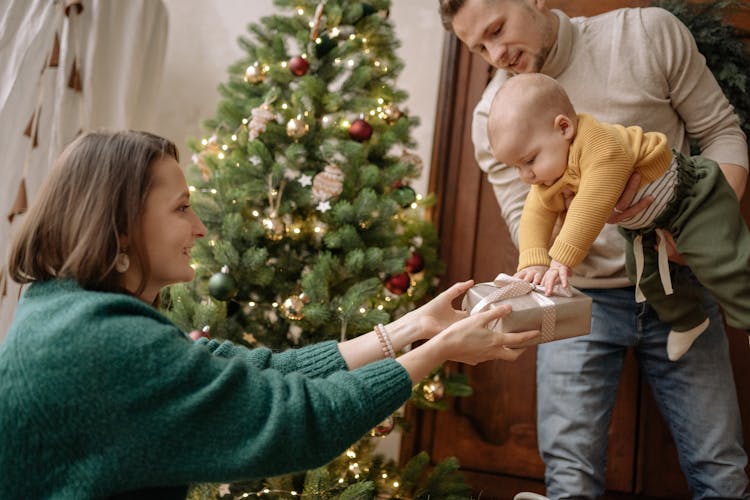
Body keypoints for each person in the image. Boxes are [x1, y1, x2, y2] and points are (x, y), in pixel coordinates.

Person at [0, 130, 540, 499]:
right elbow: (295, 418)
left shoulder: (70, 309)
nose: (200, 229)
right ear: (119, 229)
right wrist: (439, 352)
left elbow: (250, 374)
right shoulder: (102, 342)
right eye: (182, 207)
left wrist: (414, 328)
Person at [439, 0, 749, 497]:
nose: (496, 54)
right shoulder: (491, 117)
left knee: (721, 470)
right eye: (479, 47)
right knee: (570, 479)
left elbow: (721, 133)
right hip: (578, 301)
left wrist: (701, 237)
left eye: (498, 29)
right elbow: (527, 212)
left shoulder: (645, 35)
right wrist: (541, 269)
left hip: (681, 283)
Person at [487, 72, 750, 361]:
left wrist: (562, 257)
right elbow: (535, 213)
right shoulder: (551, 175)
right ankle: (688, 320)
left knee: (721, 261)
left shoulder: (600, 143)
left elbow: (592, 202)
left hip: (692, 198)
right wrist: (534, 259)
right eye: (516, 168)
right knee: (646, 278)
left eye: (529, 161)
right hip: (647, 226)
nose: (526, 176)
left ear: (563, 128)